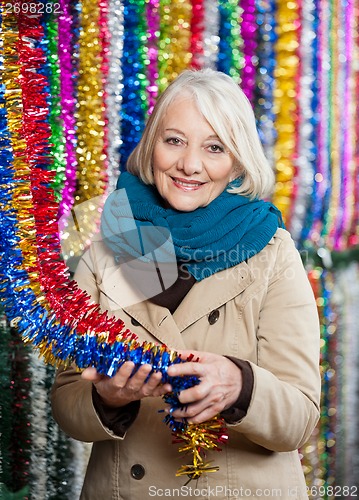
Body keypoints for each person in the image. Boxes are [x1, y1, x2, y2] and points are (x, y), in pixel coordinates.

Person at [51, 68, 321, 499]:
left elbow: (300, 418)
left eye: (214, 147)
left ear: (236, 161)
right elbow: (66, 403)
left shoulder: (273, 250)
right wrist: (107, 398)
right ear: (152, 144)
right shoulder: (108, 241)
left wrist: (240, 385)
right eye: (174, 140)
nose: (190, 165)